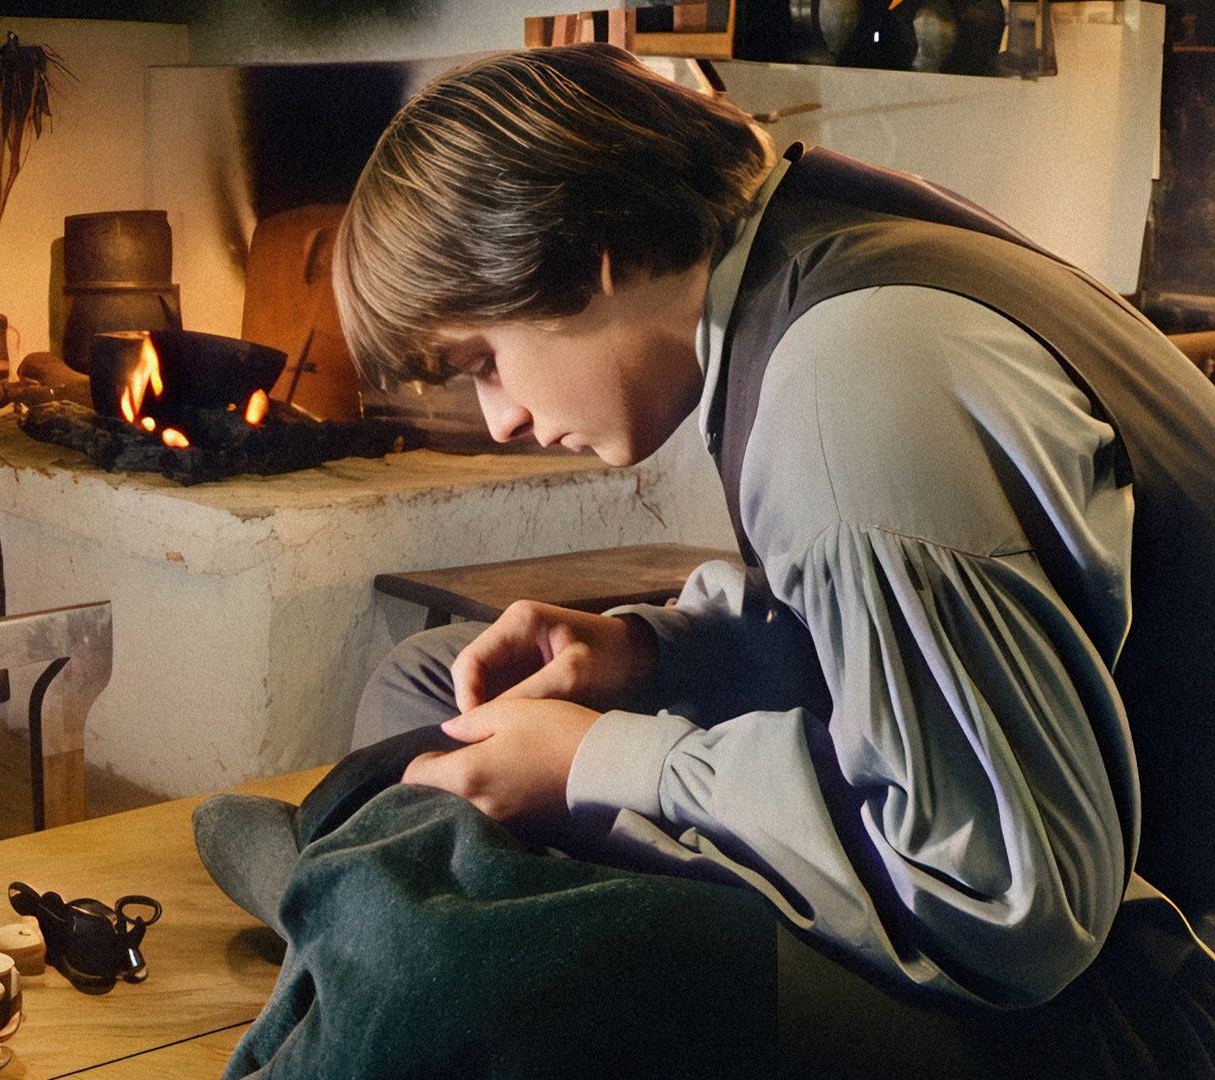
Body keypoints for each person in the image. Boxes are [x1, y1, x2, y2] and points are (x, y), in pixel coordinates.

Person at [197, 42, 1214, 1060]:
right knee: (427, 680)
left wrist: (604, 762)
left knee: (474, 971)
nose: (498, 418)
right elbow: (897, 639)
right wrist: (651, 653)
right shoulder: (828, 236)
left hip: (1140, 986)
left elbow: (1005, 899)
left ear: (590, 249)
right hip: (1034, 835)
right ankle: (381, 884)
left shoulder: (848, 382)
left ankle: (370, 896)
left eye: (483, 363)